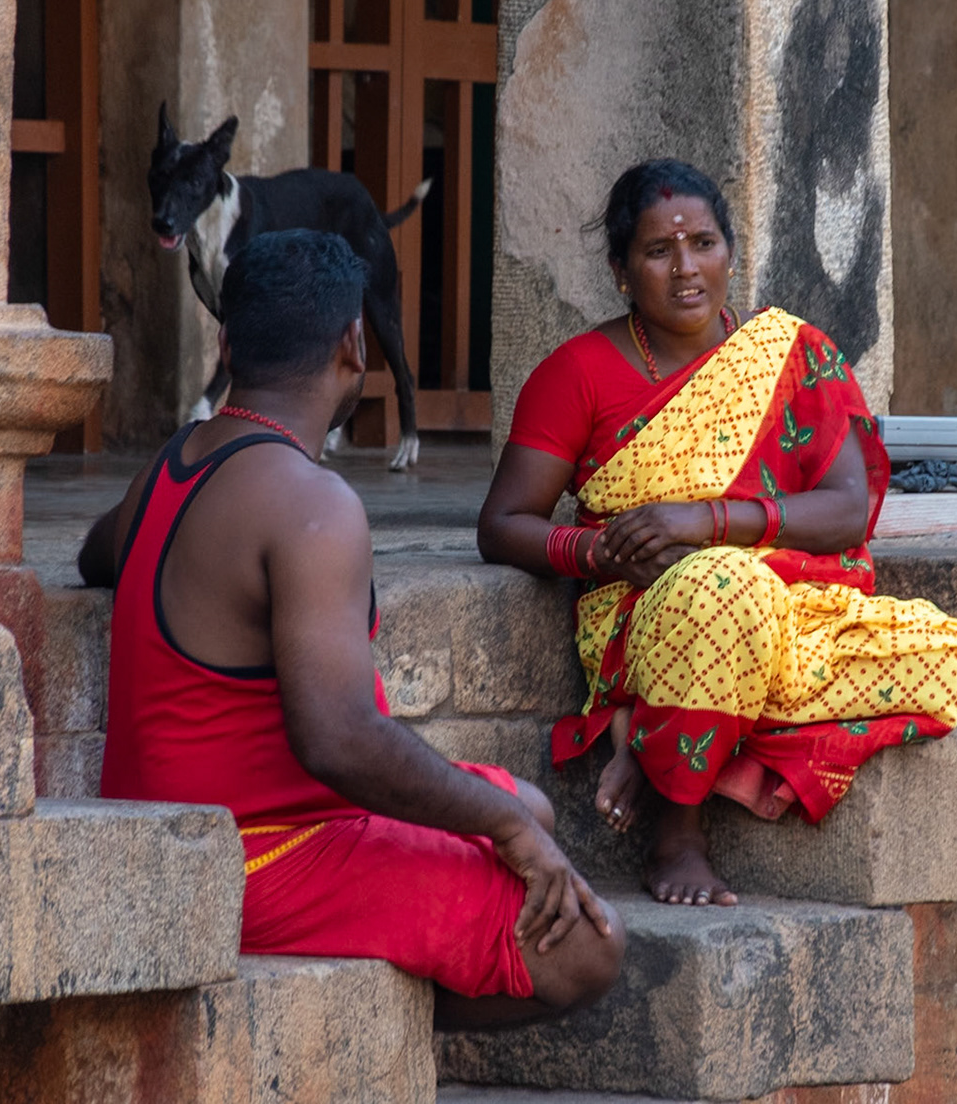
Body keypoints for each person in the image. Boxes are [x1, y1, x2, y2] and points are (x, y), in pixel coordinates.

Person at [85, 228, 623, 1029]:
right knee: (588, 948)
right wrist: (503, 827)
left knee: (530, 809)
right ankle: (352, 1027)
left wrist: (511, 820)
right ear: (355, 344)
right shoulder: (313, 504)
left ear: (227, 344)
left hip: (191, 833)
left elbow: (101, 552)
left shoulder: (174, 461)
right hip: (251, 858)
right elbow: (337, 739)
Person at [477, 159, 957, 908]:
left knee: (944, 657)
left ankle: (647, 743)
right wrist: (596, 551)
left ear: (731, 253)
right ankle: (677, 834)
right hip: (653, 615)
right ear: (621, 271)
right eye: (657, 252)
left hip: (795, 609)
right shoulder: (577, 373)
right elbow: (501, 525)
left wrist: (708, 521)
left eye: (703, 244)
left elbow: (848, 508)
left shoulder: (793, 354)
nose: (686, 270)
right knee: (723, 585)